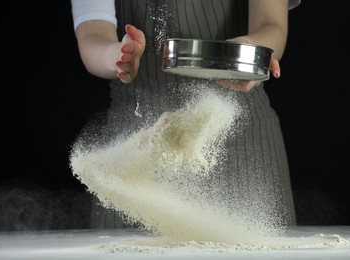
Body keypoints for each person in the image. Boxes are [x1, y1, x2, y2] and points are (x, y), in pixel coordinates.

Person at [71, 0, 301, 229]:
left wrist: (249, 50)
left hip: (243, 142)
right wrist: (118, 56)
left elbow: (272, 24)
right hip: (134, 152)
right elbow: (92, 35)